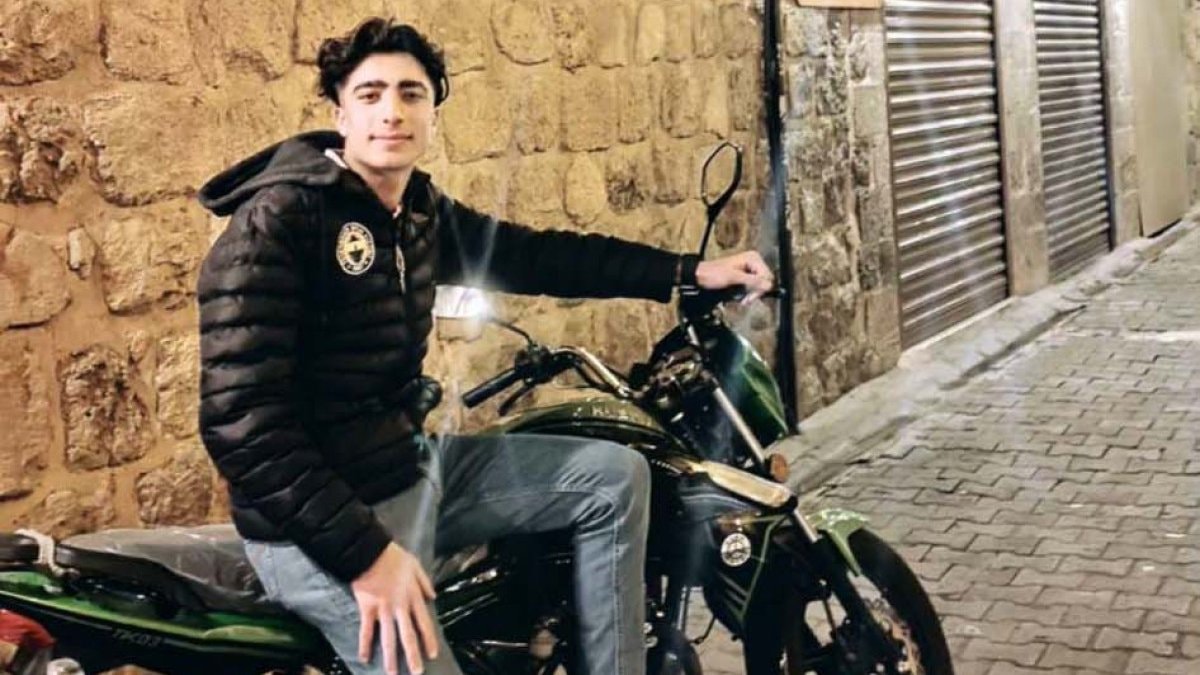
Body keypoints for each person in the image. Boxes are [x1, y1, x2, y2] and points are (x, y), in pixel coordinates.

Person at [196, 17, 773, 675]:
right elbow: (241, 425)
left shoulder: (414, 210)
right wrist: (369, 557)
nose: (392, 111)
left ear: (433, 113)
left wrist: (690, 272)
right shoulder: (279, 221)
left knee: (615, 476)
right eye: (371, 94)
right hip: (318, 530)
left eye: (411, 93)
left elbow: (536, 256)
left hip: (409, 470)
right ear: (340, 114)